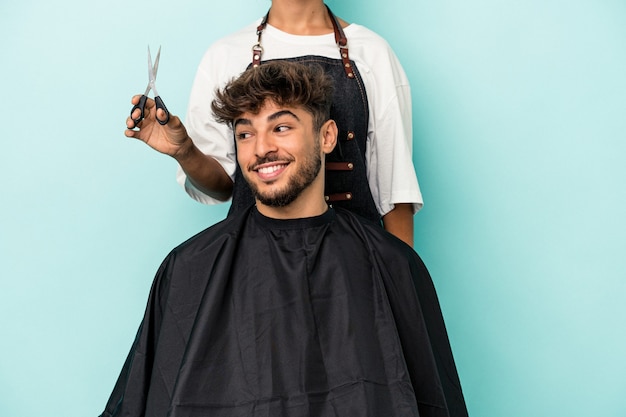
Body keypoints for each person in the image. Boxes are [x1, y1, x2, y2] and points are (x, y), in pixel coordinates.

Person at [106, 61, 467, 417]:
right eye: (245, 133)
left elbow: (430, 401)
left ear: (327, 136)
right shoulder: (188, 268)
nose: (261, 148)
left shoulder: (392, 265)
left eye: (280, 127)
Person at [125, 0, 423, 247]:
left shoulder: (373, 52)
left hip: (356, 266)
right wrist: (185, 150)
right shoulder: (224, 55)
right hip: (252, 267)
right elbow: (223, 188)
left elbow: (395, 193)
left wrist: (404, 289)